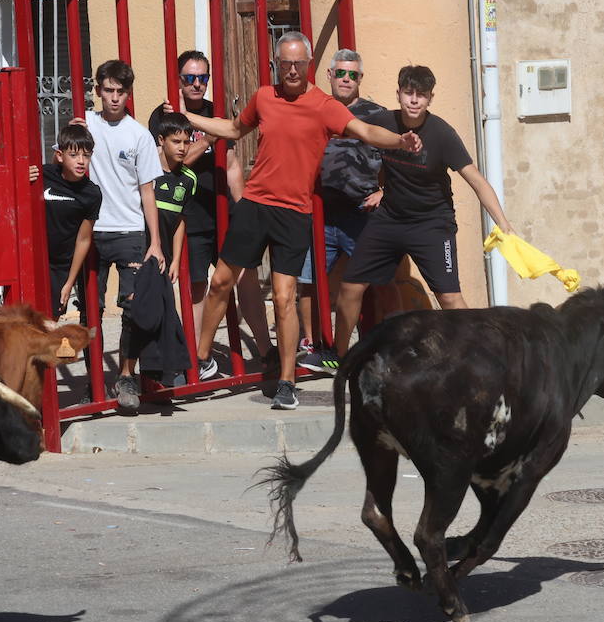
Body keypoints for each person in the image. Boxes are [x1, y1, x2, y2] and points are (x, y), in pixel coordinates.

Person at [181, 31, 421, 411]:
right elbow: (231, 129)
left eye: (298, 63)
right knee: (220, 282)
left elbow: (365, 131)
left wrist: (399, 141)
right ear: (276, 64)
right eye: (285, 63)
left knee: (284, 297)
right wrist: (189, 116)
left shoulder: (324, 105)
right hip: (256, 204)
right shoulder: (263, 96)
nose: (292, 70)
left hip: (293, 213)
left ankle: (288, 381)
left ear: (308, 65)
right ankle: (202, 361)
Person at [332, 64, 514, 358]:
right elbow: (346, 127)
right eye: (408, 93)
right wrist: (382, 190)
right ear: (399, 94)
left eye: (421, 95)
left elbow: (477, 181)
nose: (414, 100)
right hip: (389, 219)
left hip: (432, 224)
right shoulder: (384, 121)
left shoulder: (442, 134)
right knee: (351, 288)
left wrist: (504, 224)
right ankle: (339, 358)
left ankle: (487, 357)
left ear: (430, 98)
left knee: (450, 298)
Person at [295, 49, 398, 374]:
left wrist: (386, 192)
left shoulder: (378, 114)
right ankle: (311, 345)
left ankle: (394, 342)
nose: (346, 79)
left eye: (353, 74)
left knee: (382, 280)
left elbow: (401, 159)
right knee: (309, 280)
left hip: (362, 213)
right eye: (340, 73)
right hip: (321, 211)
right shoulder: (317, 109)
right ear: (329, 75)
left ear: (360, 79)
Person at [171, 51, 277, 367]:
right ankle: (196, 357)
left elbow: (231, 164)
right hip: (189, 214)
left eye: (202, 77)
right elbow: (172, 163)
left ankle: (264, 349)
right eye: (190, 77)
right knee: (198, 286)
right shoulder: (166, 116)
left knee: (245, 276)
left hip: (222, 208)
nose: (197, 84)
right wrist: (206, 139)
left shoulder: (216, 114)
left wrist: (244, 208)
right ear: (179, 79)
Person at [74, 59, 164, 393]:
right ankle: (94, 380)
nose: (114, 97)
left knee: (132, 307)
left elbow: (147, 191)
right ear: (98, 90)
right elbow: (67, 165)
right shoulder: (85, 126)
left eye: (120, 91)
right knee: (90, 311)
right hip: (91, 232)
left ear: (128, 93)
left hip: (129, 230)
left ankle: (126, 376)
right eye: (108, 90)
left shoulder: (139, 135)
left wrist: (155, 242)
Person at [114, 110, 196, 409]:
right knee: (134, 312)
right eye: (177, 141)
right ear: (160, 141)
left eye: (188, 141)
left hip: (163, 260)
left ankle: (152, 376)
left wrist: (175, 260)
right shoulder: (145, 172)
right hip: (139, 253)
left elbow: (181, 221)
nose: (183, 147)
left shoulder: (188, 179)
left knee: (160, 316)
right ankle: (125, 374)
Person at [42, 124, 102, 322]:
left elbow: (83, 240)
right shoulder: (44, 175)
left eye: (86, 155)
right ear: (60, 155)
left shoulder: (91, 193)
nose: (81, 161)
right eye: (74, 155)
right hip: (36, 259)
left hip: (61, 266)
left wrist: (69, 282)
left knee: (50, 322)